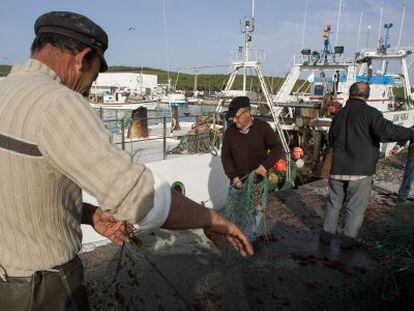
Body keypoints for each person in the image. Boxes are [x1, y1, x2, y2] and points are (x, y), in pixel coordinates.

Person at [0, 11, 253, 310]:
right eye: (93, 78)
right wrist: (214, 220)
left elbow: (21, 184)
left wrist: (90, 214)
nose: (88, 88)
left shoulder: (7, 89)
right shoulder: (59, 103)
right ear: (82, 58)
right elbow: (140, 198)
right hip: (41, 290)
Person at [320, 82, 414, 249]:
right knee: (354, 209)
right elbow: (387, 131)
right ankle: (347, 243)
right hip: (361, 171)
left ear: (350, 94)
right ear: (367, 96)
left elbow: (331, 140)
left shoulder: (338, 116)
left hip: (337, 169)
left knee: (333, 205)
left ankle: (326, 238)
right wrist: (410, 133)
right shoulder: (371, 114)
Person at [221, 96, 283, 240]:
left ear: (247, 113)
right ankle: (234, 241)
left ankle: (251, 241)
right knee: (233, 213)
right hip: (237, 184)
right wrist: (233, 176)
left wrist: (265, 166)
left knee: (255, 214)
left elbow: (277, 148)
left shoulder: (263, 128)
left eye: (236, 117)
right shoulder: (230, 132)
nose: (234, 121)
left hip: (257, 182)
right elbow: (225, 157)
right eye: (232, 118)